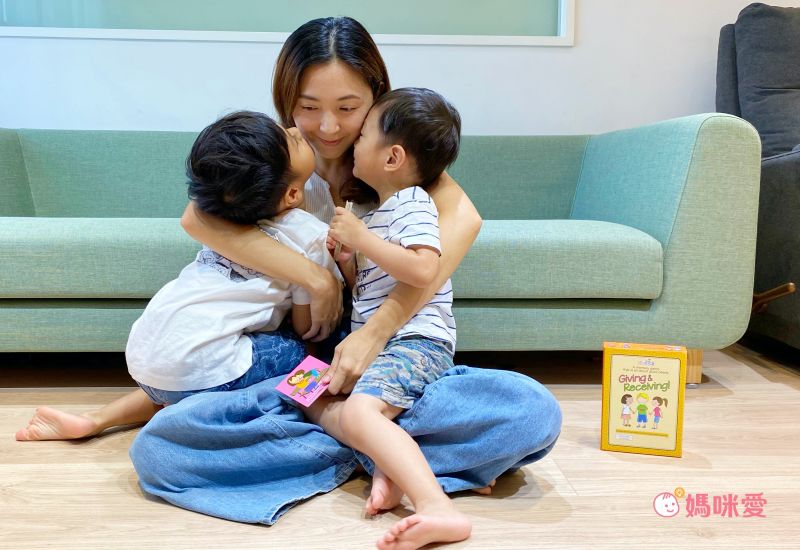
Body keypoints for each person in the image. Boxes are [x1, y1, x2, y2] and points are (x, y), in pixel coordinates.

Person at [20, 17, 562, 530]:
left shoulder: (401, 161)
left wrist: (371, 336)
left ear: (376, 100)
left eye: (348, 108)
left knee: (530, 413)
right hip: (299, 368)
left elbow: (451, 240)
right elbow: (198, 217)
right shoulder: (279, 154)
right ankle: (387, 451)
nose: (327, 127)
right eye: (308, 107)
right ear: (287, 101)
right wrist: (317, 278)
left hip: (382, 360)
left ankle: (370, 445)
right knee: (161, 450)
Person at [15, 110, 338, 438]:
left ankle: (95, 419)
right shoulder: (309, 236)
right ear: (292, 194)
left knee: (188, 375)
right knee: (307, 353)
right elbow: (305, 326)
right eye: (292, 140)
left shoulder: (221, 219)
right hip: (198, 367)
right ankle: (298, 413)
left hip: (145, 360)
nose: (294, 130)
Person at [302, 87, 469, 549]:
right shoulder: (377, 212)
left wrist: (362, 239)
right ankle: (386, 465)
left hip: (416, 342)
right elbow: (369, 290)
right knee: (306, 392)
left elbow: (423, 269)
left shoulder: (413, 202)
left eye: (363, 135)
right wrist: (349, 261)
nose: (353, 141)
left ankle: (437, 507)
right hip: (383, 348)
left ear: (393, 157)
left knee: (358, 410)